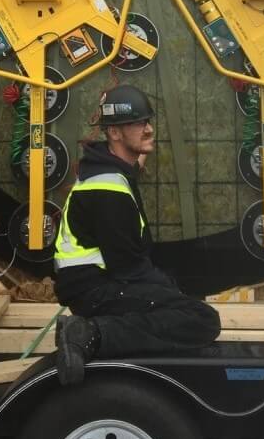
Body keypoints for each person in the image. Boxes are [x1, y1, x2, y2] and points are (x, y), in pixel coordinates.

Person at [54, 84, 221, 386]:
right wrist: (171, 292)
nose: (148, 129)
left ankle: (95, 329)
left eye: (147, 121)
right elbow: (128, 267)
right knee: (202, 319)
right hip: (96, 288)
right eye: (138, 123)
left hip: (94, 282)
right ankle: (89, 334)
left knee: (179, 300)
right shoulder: (108, 188)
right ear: (114, 133)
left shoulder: (109, 174)